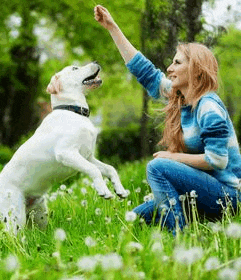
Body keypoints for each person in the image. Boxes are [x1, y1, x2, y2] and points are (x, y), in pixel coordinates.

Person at [94, 5, 241, 234]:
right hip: (203, 189)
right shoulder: (182, 99)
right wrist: (112, 27)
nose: (169, 68)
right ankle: (184, 224)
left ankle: (179, 237)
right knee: (138, 217)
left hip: (228, 196)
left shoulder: (209, 107)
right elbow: (145, 72)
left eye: (177, 63)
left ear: (195, 69)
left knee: (158, 167)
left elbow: (217, 160)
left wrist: (173, 158)